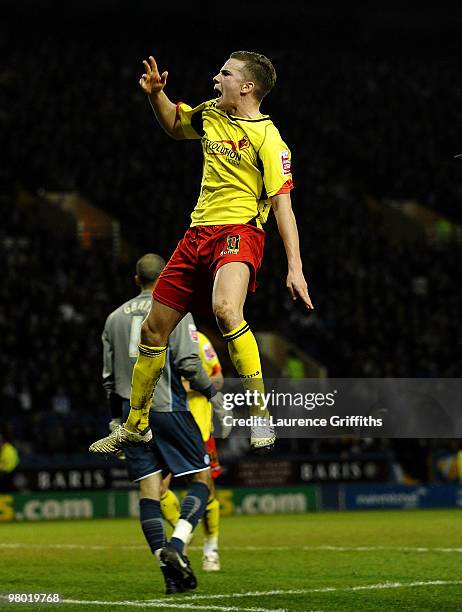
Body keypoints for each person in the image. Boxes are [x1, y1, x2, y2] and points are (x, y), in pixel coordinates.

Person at [90, 50, 313, 456]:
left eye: (225, 73)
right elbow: (176, 125)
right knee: (153, 331)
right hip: (196, 235)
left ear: (247, 87)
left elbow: (284, 206)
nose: (215, 78)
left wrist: (295, 267)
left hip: (240, 231)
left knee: (227, 309)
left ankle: (260, 414)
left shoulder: (270, 140)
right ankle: (136, 426)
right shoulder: (211, 113)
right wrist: (156, 95)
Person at [91, 253, 223, 594]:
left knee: (149, 493)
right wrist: (212, 395)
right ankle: (177, 547)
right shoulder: (176, 310)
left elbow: (108, 378)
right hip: (168, 408)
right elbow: (189, 363)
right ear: (165, 276)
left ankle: (168, 575)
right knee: (201, 478)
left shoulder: (112, 319)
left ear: (136, 279)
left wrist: (114, 420)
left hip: (129, 415)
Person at [161, 330, 225, 571]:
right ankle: (182, 531)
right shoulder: (155, 337)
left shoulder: (199, 340)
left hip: (199, 428)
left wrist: (191, 385)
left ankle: (211, 549)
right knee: (157, 491)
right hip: (166, 426)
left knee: (207, 490)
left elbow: (218, 379)